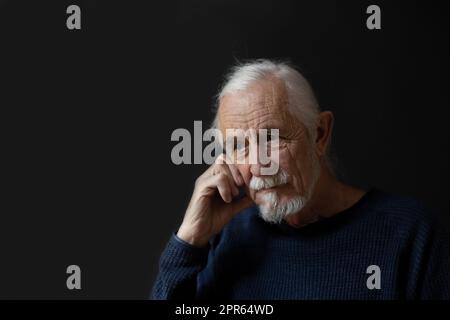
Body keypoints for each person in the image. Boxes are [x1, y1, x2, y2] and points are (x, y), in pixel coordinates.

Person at [152, 59, 450, 299]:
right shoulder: (229, 236)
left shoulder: (410, 233)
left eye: (272, 139)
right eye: (239, 146)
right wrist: (188, 241)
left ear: (320, 134)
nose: (257, 166)